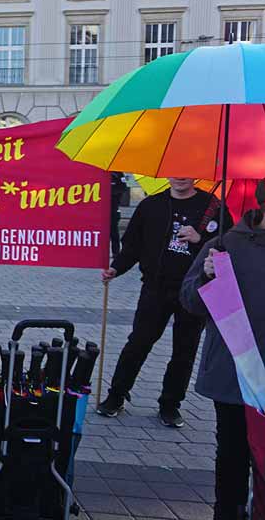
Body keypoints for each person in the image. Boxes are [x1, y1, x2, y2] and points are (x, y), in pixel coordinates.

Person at [97, 177, 232, 427]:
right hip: (156, 288)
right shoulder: (151, 206)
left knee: (185, 350)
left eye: (186, 172)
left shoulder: (213, 207)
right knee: (138, 342)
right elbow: (132, 246)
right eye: (175, 171)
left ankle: (170, 404)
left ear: (194, 174)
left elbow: (226, 248)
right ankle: (116, 395)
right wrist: (116, 268)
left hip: (193, 291)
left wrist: (199, 239)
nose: (180, 177)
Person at [181, 179, 265, 520]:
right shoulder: (225, 245)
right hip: (236, 370)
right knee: (232, 454)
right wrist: (206, 275)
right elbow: (190, 301)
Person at [110, 172, 128, 258]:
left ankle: (115, 252)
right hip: (99, 208)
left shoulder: (118, 174)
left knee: (113, 230)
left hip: (113, 208)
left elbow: (123, 188)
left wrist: (110, 191)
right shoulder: (99, 172)